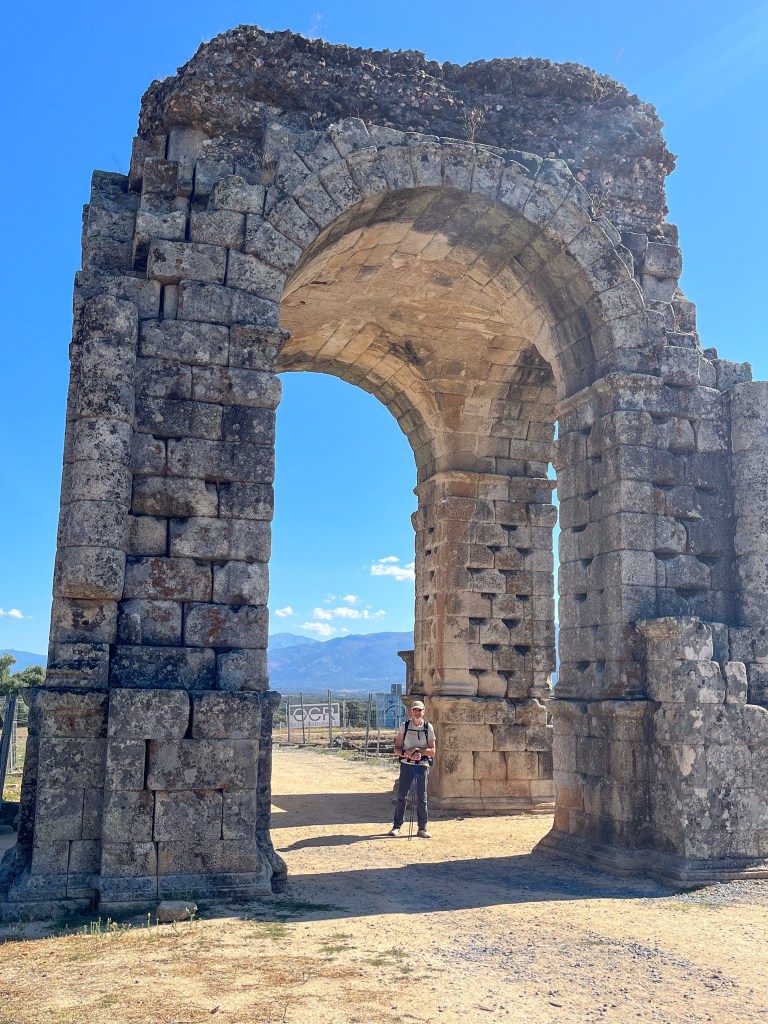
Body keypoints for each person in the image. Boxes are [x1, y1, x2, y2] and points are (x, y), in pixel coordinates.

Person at [388, 700, 436, 839]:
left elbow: (432, 751)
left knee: (422, 796)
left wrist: (417, 750)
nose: (417, 712)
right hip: (406, 763)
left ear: (423, 711)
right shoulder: (405, 725)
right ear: (411, 711)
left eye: (419, 710)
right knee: (402, 795)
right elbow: (397, 748)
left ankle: (422, 827)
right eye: (415, 710)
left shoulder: (428, 727)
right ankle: (397, 826)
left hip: (422, 764)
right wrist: (407, 754)